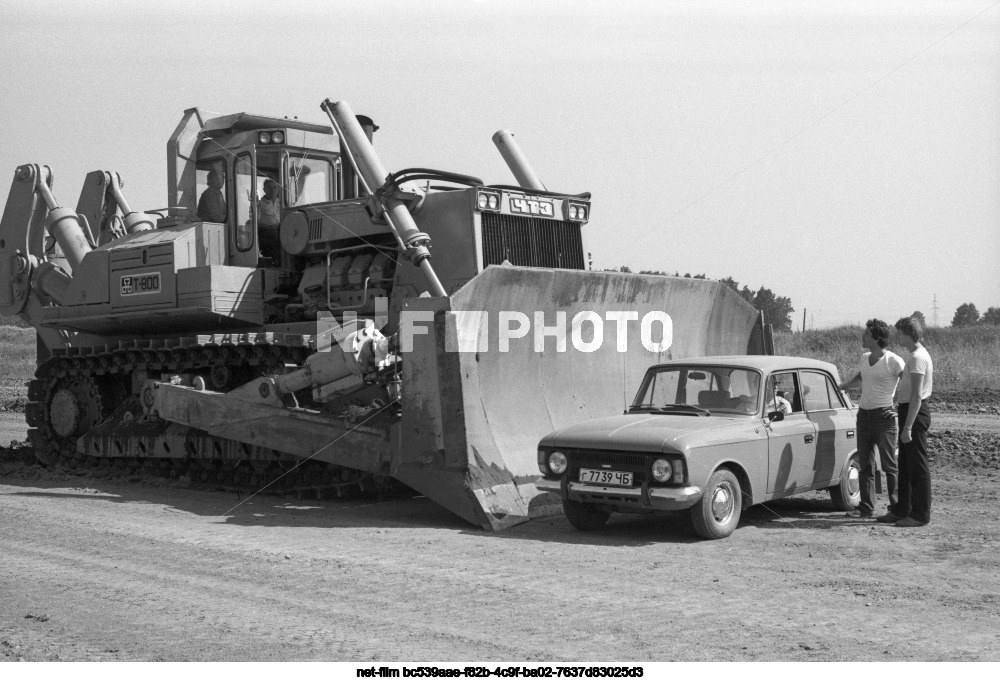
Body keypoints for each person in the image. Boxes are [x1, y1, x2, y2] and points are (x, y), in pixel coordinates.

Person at [838, 319, 905, 519]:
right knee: (866, 465)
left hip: (884, 418)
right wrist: (846, 386)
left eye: (866, 334)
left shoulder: (893, 360)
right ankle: (866, 507)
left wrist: (899, 408)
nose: (863, 337)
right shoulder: (865, 357)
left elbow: (909, 381)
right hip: (864, 416)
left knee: (889, 465)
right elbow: (861, 377)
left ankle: (896, 509)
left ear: (876, 338)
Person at [887, 316, 933, 527]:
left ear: (908, 333)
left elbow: (916, 396)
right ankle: (902, 509)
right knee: (904, 465)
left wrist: (907, 427)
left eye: (899, 332)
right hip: (908, 412)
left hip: (914, 413)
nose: (897, 336)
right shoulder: (914, 356)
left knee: (917, 467)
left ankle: (920, 515)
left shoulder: (917, 358)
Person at [257, 179, 282, 264]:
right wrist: (270, 226)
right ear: (264, 190)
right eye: (269, 187)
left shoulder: (282, 203)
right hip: (266, 233)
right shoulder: (259, 204)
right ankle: (278, 262)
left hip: (281, 230)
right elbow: (256, 224)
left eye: (275, 187)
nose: (273, 190)